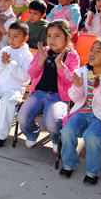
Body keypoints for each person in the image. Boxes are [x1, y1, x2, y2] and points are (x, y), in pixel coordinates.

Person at [59, 38, 101, 185]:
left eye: (98, 51)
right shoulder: (83, 72)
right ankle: (69, 163)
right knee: (67, 131)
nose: (92, 53)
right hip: (83, 112)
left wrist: (98, 88)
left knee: (92, 137)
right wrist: (77, 87)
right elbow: (75, 98)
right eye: (92, 50)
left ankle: (92, 171)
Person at [17, 20, 80, 153]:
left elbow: (70, 81)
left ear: (67, 38)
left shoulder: (72, 55)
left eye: (57, 36)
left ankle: (57, 138)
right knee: (21, 117)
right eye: (49, 36)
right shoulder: (43, 51)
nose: (52, 39)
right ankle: (32, 133)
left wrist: (60, 64)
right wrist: (41, 59)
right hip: (39, 93)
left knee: (52, 123)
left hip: (59, 97)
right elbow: (31, 72)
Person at [0, 21, 33, 147]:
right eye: (9, 35)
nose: (11, 39)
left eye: (16, 36)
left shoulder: (27, 55)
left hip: (15, 88)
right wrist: (2, 63)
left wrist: (11, 64)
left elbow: (25, 77)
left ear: (25, 38)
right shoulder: (4, 50)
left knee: (5, 103)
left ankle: (0, 135)